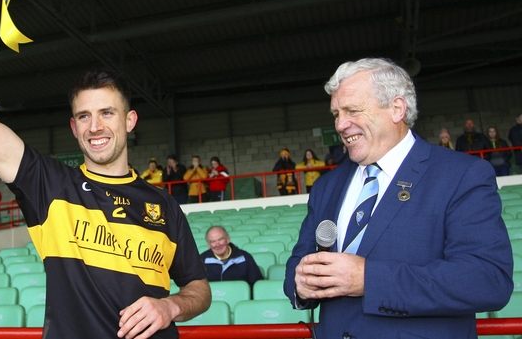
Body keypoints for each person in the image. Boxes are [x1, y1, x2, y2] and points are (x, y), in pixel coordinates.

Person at [0, 0, 209, 339]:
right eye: (84, 116)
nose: (95, 126)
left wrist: (171, 306)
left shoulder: (164, 206)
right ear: (73, 126)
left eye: (107, 113)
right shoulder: (49, 184)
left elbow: (200, 289)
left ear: (130, 120)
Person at [285, 58, 513, 339]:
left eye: (352, 110)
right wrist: (300, 285)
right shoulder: (327, 186)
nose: (341, 125)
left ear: (396, 109)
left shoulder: (462, 174)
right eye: (336, 114)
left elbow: (487, 280)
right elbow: (298, 261)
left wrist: (368, 279)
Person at [200, 226, 263, 290]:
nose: (217, 245)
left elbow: (257, 286)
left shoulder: (245, 258)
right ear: (208, 244)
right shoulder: (201, 260)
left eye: (220, 239)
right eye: (213, 242)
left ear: (228, 239)